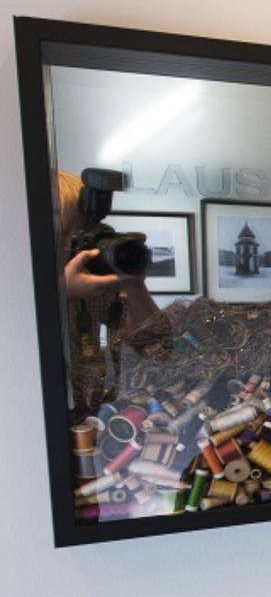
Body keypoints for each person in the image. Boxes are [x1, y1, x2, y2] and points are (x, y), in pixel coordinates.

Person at [59, 169, 165, 415]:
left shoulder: (95, 286)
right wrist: (64, 295)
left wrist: (134, 282)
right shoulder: (19, 291)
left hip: (98, 422)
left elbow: (158, 346)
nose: (72, 244)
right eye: (64, 232)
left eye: (82, 233)